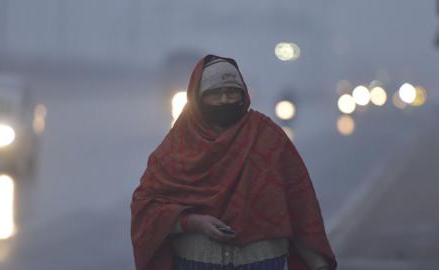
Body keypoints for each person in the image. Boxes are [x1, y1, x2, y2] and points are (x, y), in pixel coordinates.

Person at [130, 54, 337, 270]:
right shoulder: (177, 146)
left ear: (243, 94)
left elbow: (299, 203)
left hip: (261, 262)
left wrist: (317, 263)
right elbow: (146, 207)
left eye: (231, 92)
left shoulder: (267, 136)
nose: (224, 100)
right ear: (198, 98)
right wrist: (192, 222)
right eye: (214, 94)